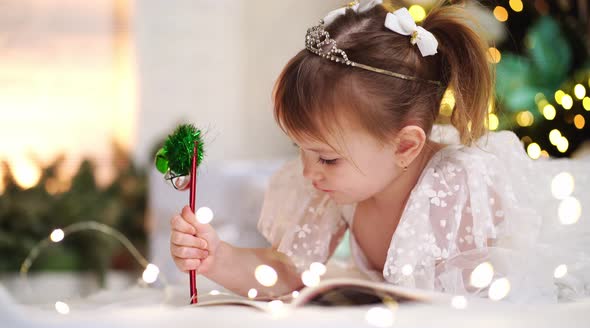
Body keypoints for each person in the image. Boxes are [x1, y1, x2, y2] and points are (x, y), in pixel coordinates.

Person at [169, 0, 590, 303]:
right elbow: (288, 271)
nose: (309, 172)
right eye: (300, 149)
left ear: (405, 146)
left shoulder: (458, 190)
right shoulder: (335, 186)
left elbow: (481, 304)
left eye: (327, 158)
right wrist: (218, 257)